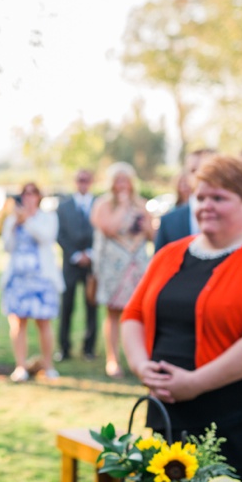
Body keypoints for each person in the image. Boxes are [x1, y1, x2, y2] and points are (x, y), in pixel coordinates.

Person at [121, 154, 242, 482]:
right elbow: (132, 315)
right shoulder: (172, 253)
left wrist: (195, 382)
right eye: (200, 197)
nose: (205, 206)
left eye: (218, 198)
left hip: (238, 421)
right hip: (171, 422)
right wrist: (140, 365)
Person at [90, 162, 153, 379]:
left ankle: (139, 358)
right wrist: (124, 207)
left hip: (137, 266)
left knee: (139, 313)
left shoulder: (142, 204)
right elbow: (109, 228)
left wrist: (145, 225)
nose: (122, 184)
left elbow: (152, 234)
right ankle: (113, 360)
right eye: (118, 180)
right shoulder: (103, 205)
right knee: (114, 313)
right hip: (114, 268)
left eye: (126, 180)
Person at [1, 182, 64, 382]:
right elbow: (7, 246)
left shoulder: (48, 217)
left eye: (33, 193)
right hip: (18, 279)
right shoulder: (13, 219)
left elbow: (46, 238)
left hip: (41, 279)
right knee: (18, 322)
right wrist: (15, 224)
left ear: (39, 196)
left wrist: (27, 221)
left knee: (44, 322)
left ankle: (48, 365)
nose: (29, 197)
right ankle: (20, 366)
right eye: (25, 194)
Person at [55, 168, 97, 363]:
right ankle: (64, 348)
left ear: (91, 181)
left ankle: (89, 348)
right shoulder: (64, 206)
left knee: (92, 306)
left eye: (86, 179)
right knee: (67, 306)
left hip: (92, 264)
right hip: (70, 265)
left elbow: (101, 231)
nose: (83, 183)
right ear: (75, 181)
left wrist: (90, 254)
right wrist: (74, 254)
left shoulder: (98, 204)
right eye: (80, 179)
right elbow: (60, 234)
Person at [155, 148, 215, 252]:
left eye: (206, 170)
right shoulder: (169, 221)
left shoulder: (236, 219)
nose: (200, 176)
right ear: (186, 175)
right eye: (193, 170)